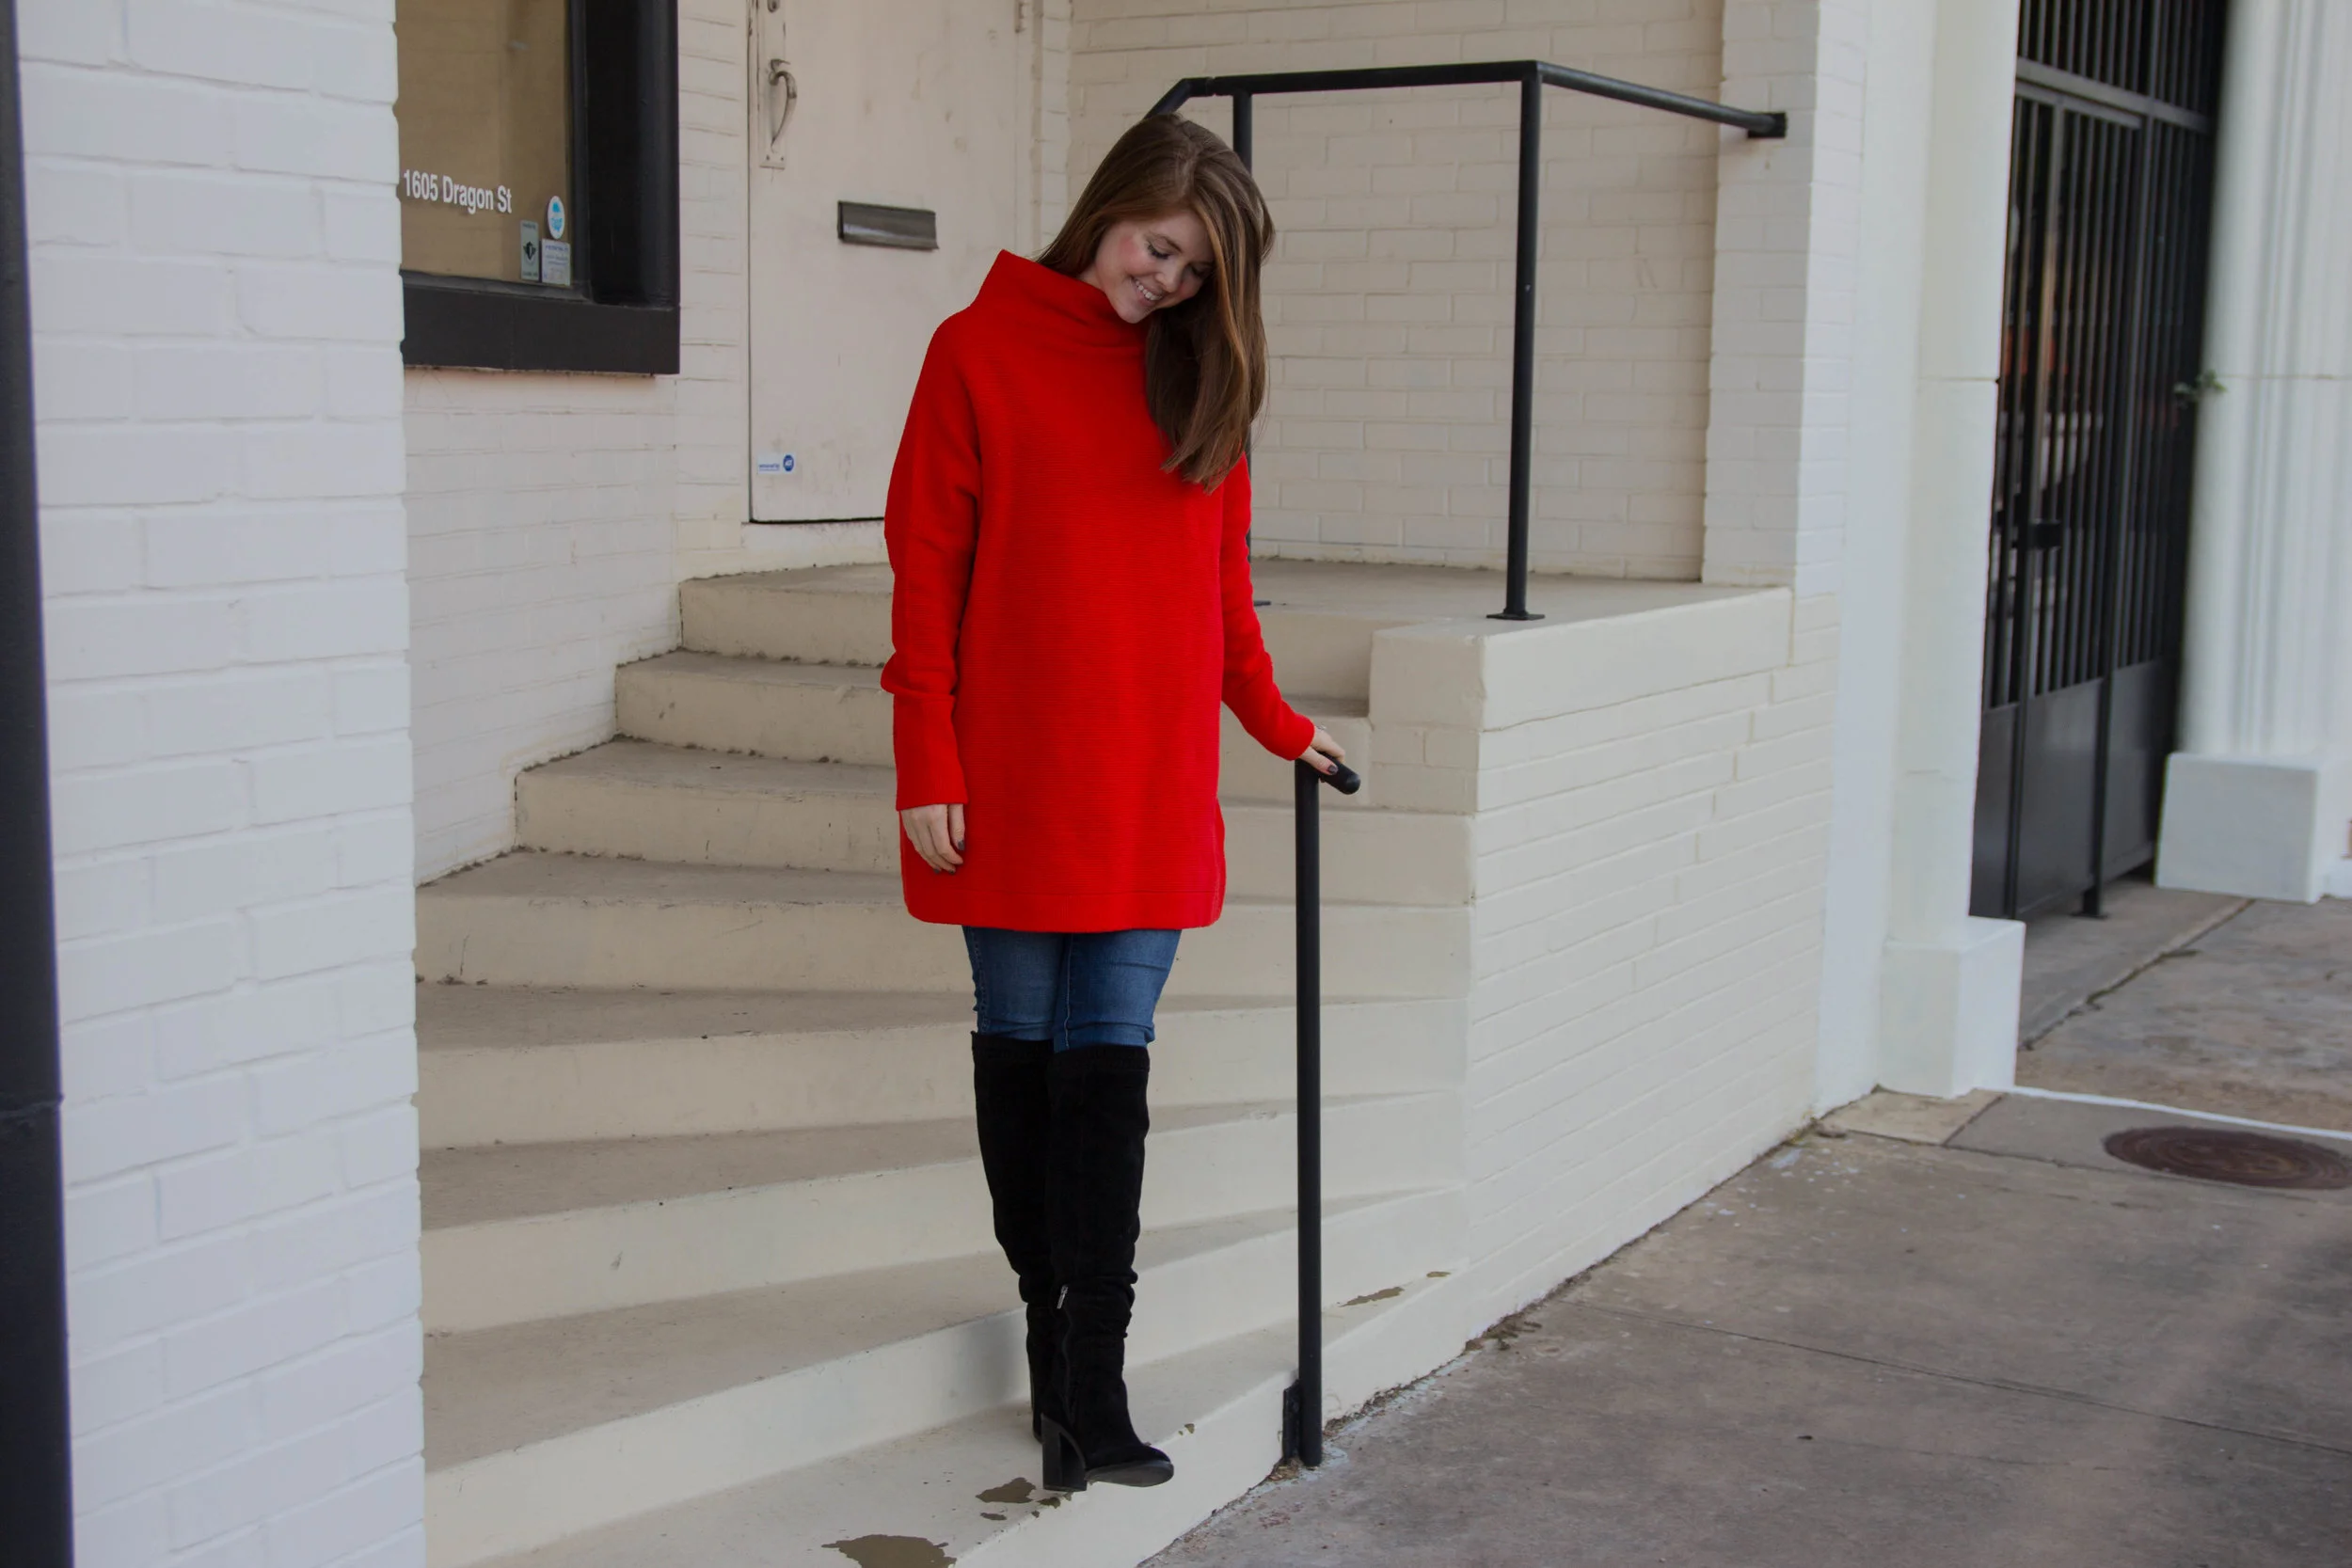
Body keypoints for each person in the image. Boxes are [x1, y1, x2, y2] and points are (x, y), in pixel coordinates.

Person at [880, 114, 1344, 1494]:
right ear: (1111, 209)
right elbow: (925, 571)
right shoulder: (977, 352)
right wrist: (927, 763)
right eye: (1161, 249)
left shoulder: (1200, 382)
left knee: (1110, 1079)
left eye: (1197, 272)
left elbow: (1222, 597)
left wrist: (1280, 725)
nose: (1169, 284)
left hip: (1144, 784)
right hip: (1012, 774)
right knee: (1021, 1070)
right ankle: (1048, 1349)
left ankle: (1098, 1379)